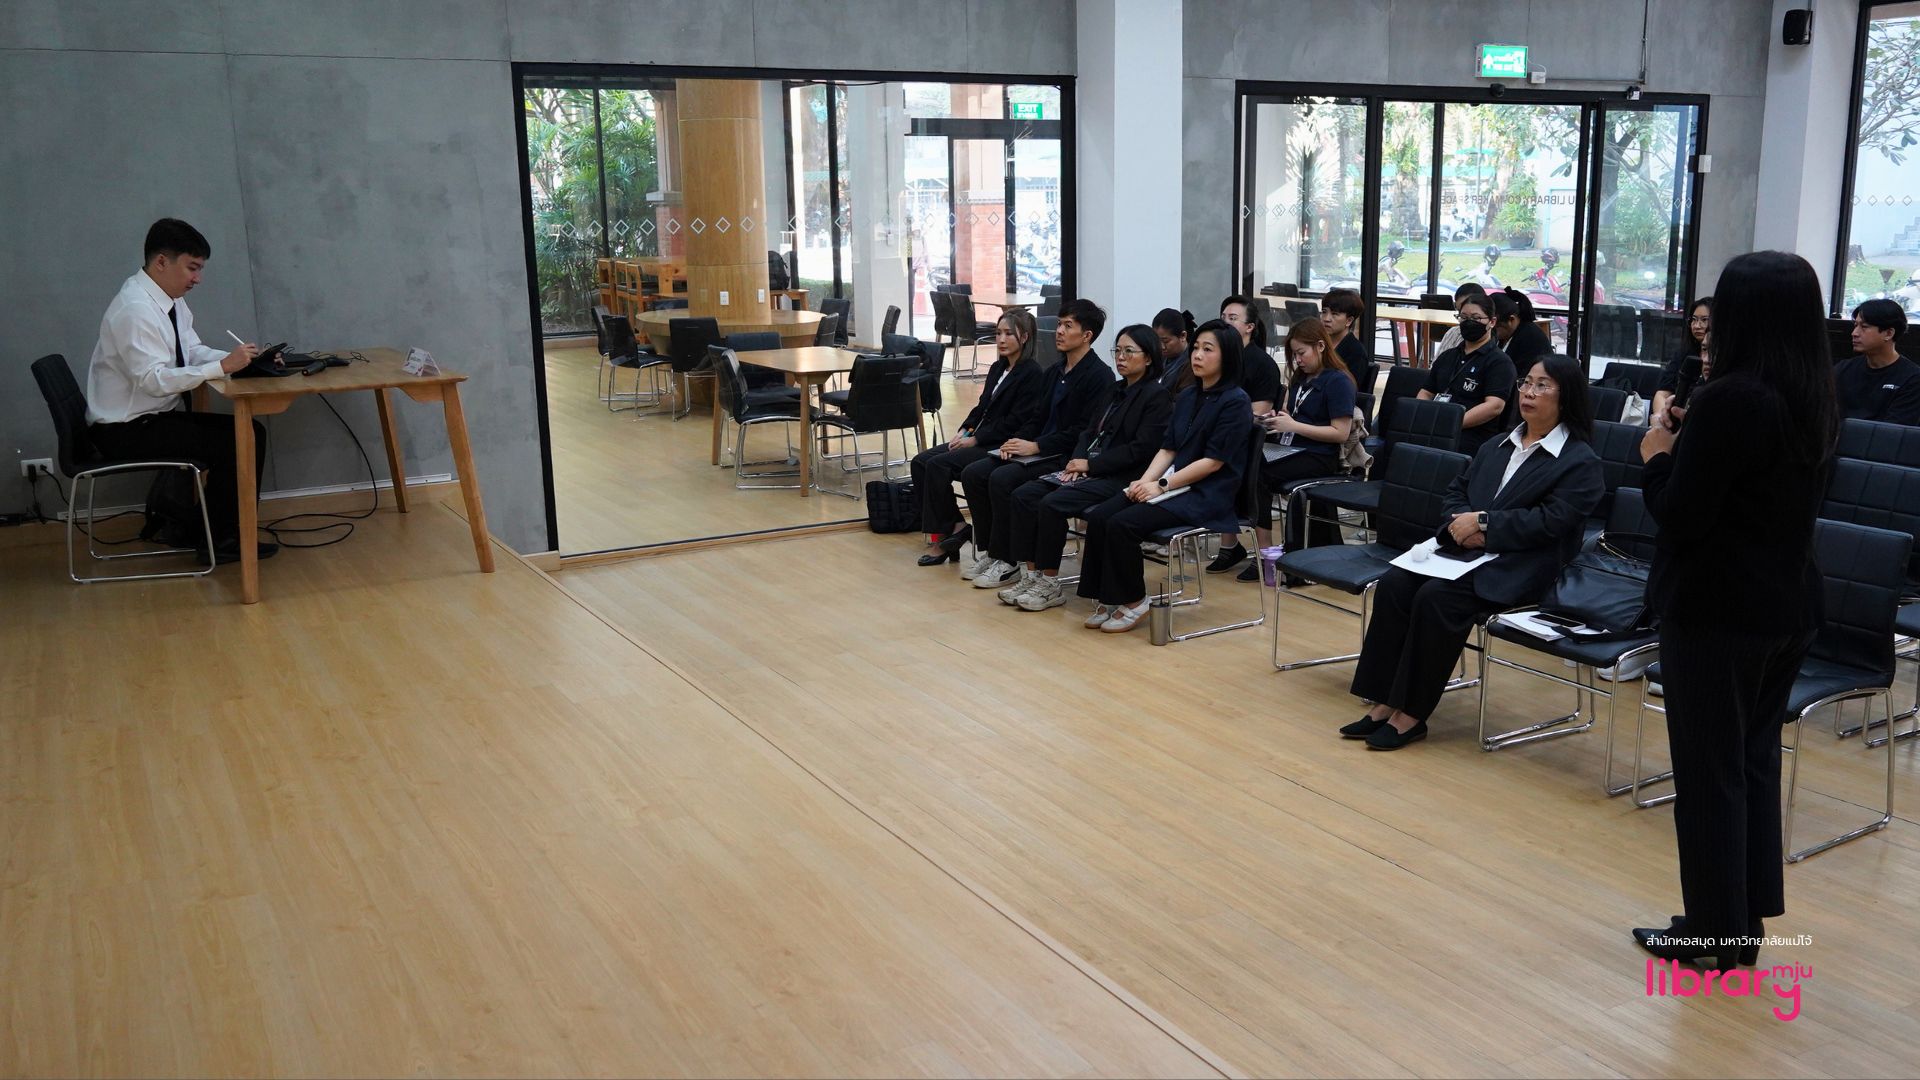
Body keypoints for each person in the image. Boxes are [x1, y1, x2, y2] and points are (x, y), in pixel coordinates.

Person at [1630, 251, 1836, 971]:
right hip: (1788, 601)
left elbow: (1681, 515)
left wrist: (1659, 455)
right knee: (1750, 764)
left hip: (1718, 608)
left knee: (1708, 772)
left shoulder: (1731, 398)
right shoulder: (1813, 392)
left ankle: (1713, 934)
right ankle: (1739, 923)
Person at [1342, 355, 1603, 749]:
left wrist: (1484, 527)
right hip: (1467, 552)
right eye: (1526, 383)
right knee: (1396, 584)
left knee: (1436, 599)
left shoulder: (1580, 461)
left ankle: (1411, 714)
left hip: (1524, 565)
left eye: (1542, 385)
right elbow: (1456, 491)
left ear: (1567, 397)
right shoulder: (1498, 444)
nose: (1529, 393)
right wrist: (1459, 526)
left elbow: (1551, 522)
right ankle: (1384, 700)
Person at [86, 218, 278, 564]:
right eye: (192, 267)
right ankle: (220, 539)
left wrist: (242, 360)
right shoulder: (135, 309)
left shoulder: (167, 299)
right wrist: (223, 366)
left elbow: (190, 350)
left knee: (247, 432)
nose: (197, 278)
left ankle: (206, 530)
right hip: (124, 430)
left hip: (148, 419)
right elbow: (153, 380)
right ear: (162, 261)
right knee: (239, 439)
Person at [1077, 321, 1255, 632]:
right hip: (1174, 485)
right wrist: (1144, 482)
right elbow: (1168, 448)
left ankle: (1135, 600)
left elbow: (1213, 463)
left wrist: (1161, 486)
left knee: (1123, 524)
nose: (1197, 355)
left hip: (1206, 493)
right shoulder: (1188, 396)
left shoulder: (1235, 401)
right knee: (1102, 515)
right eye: (1196, 348)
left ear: (1227, 356)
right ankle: (1108, 596)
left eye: (1207, 349)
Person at [998, 325, 1172, 611]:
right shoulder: (1115, 390)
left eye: (1129, 351)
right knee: (1025, 494)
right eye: (1118, 350)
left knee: (1052, 503)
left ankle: (1049, 582)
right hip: (1090, 468)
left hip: (1122, 476)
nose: (1121, 357)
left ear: (1149, 357)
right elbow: (1088, 432)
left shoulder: (1156, 396)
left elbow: (1140, 449)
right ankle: (1032, 575)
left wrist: (1091, 464)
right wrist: (1077, 461)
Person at [967, 299, 1115, 588]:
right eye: (1059, 324)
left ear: (1087, 335)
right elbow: (1037, 418)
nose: (1058, 331)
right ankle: (993, 551)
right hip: (1039, 449)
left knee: (1003, 479)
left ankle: (1009, 560)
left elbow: (1082, 431)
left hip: (1062, 455)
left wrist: (1036, 447)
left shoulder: (1100, 376)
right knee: (975, 473)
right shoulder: (1054, 371)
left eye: (1067, 326)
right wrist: (1018, 441)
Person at [1220, 316, 1357, 582]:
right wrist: (1277, 420)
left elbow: (1339, 433)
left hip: (1319, 456)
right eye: (1294, 355)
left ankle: (1265, 552)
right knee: (1241, 460)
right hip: (1292, 449)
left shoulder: (1338, 381)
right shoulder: (1301, 378)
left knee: (1257, 471)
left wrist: (1294, 425)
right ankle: (1249, 544)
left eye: (1301, 353)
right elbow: (1295, 417)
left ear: (1320, 346)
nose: (1298, 360)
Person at [910, 308, 1045, 567]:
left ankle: (946, 537)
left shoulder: (1032, 374)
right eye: (998, 333)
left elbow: (1015, 421)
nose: (1001, 339)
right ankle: (956, 526)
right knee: (920, 462)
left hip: (999, 443)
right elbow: (982, 407)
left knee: (938, 465)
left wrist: (976, 439)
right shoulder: (998, 367)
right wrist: (965, 430)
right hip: (980, 436)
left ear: (1025, 337)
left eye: (1008, 334)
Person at [1208, 296, 1283, 573]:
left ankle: (1264, 552)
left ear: (1249, 327)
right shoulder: (1220, 358)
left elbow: (1258, 414)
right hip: (1221, 434)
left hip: (1253, 439)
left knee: (1248, 471)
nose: (1224, 323)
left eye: (1232, 318)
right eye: (1222, 317)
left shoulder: (1261, 363)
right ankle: (1230, 546)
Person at [1418, 291, 1515, 454]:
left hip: (1470, 438)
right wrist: (1424, 415)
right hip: (1433, 431)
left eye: (1476, 318)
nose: (1469, 322)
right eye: (1463, 317)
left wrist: (1452, 423)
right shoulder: (1448, 356)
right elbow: (1426, 392)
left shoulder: (1499, 362)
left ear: (1491, 322)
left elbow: (1494, 406)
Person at [1833, 298, 1920, 425]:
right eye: (1855, 325)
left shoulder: (1912, 379)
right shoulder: (1843, 369)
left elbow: (1894, 430)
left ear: (1888, 333)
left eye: (1864, 327)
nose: (1854, 333)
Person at [1652, 297, 1713, 424]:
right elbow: (1662, 393)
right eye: (1694, 320)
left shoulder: (1719, 360)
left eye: (1704, 320)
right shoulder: (1684, 354)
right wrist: (1660, 420)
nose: (1697, 326)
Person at [1320, 288, 1377, 395]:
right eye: (1324, 312)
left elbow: (1348, 390)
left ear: (1349, 321)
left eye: (1334, 314)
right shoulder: (1318, 343)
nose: (1326, 319)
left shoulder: (1356, 352)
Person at [1491, 287, 1550, 370]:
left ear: (1511, 319)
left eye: (1495, 327)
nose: (1490, 330)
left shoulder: (1531, 338)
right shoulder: (1508, 334)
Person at [1432, 281, 1489, 357]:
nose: (1467, 321)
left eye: (1475, 317)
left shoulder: (1489, 342)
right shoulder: (1453, 333)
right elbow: (1437, 362)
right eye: (1461, 314)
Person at [1153, 307, 1196, 393]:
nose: (1161, 346)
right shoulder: (1157, 358)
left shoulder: (1192, 365)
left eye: (1166, 341)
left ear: (1183, 336)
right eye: (1157, 341)